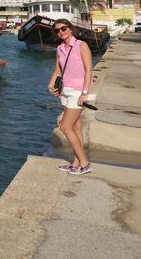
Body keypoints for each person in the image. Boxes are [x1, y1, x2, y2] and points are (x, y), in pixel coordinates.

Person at [48, 19, 94, 175]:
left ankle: (85, 163)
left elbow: (89, 71)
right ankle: (76, 162)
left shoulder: (82, 45)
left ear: (71, 29)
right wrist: (51, 84)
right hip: (65, 91)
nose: (61, 32)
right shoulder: (60, 49)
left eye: (64, 28)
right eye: (57, 30)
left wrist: (85, 94)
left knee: (64, 126)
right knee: (75, 127)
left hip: (77, 91)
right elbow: (58, 70)